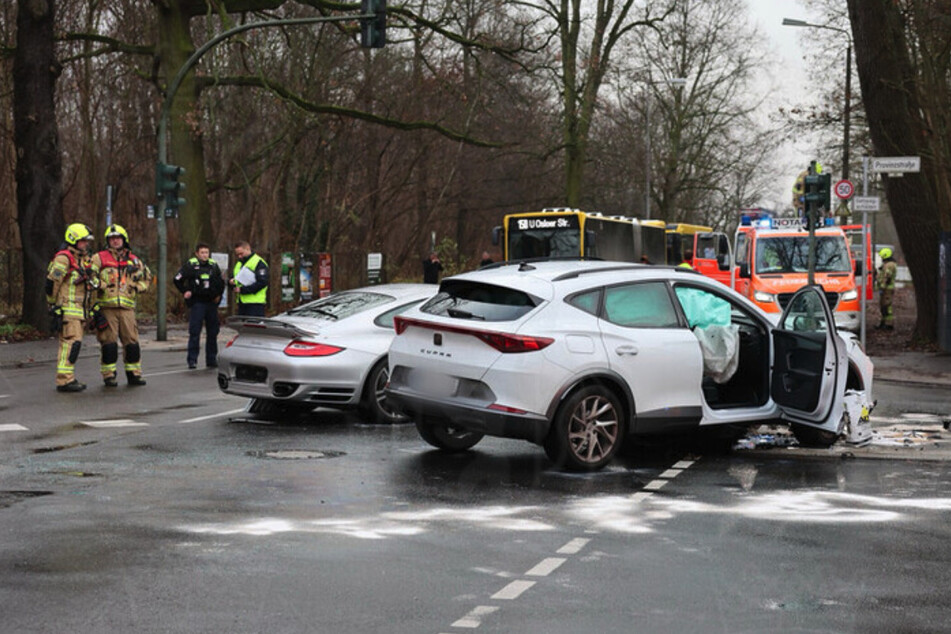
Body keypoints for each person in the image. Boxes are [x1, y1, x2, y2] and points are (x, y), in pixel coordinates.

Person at [90, 224, 152, 387]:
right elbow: (89, 276)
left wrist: (138, 287)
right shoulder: (99, 258)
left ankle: (134, 375)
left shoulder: (134, 259)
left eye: (118, 238)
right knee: (109, 343)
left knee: (132, 343)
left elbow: (147, 278)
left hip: (127, 309)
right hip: (107, 307)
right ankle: (109, 376)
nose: (115, 241)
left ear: (124, 240)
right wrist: (100, 285)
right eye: (112, 239)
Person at [46, 223, 96, 392]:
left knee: (73, 344)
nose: (86, 244)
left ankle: (67, 378)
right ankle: (64, 380)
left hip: (79, 310)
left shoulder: (82, 259)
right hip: (69, 309)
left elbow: (91, 283)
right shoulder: (64, 259)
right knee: (70, 344)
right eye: (83, 241)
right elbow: (52, 283)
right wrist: (54, 304)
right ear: (74, 239)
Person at [174, 243, 225, 369]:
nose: (204, 255)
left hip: (211, 303)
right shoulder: (191, 265)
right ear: (197, 254)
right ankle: (192, 360)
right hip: (198, 303)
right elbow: (177, 279)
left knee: (213, 332)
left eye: (206, 253)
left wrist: (218, 296)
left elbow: (220, 282)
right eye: (202, 253)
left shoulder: (213, 265)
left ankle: (211, 359)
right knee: (195, 332)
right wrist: (185, 291)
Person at [230, 241, 269, 316]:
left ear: (248, 249)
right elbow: (233, 277)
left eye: (241, 253)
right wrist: (231, 282)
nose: (239, 256)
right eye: (237, 254)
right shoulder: (239, 263)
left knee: (254, 327)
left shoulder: (259, 262)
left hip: (255, 304)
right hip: (242, 303)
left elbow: (262, 283)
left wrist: (243, 290)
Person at [876, 247, 898, 331]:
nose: (881, 258)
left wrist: (883, 286)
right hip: (885, 288)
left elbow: (887, 277)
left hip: (887, 289)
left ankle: (888, 325)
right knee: (883, 306)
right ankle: (883, 323)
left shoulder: (890, 265)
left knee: (887, 306)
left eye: (882, 257)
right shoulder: (887, 264)